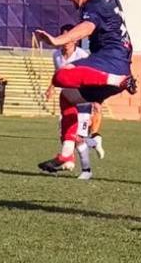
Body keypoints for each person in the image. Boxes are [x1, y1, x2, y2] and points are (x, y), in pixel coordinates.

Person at [34, 0, 136, 173]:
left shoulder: (93, 5)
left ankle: (120, 81)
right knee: (66, 95)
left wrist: (58, 40)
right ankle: (66, 156)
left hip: (111, 65)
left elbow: (86, 28)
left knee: (61, 77)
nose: (68, 0)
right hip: (114, 62)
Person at [45, 24, 105, 180]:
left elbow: (90, 75)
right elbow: (58, 73)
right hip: (68, 97)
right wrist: (51, 87)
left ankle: (88, 151)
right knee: (66, 132)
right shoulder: (56, 55)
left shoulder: (82, 55)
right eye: (63, 37)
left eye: (69, 38)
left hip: (82, 99)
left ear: (75, 40)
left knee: (77, 136)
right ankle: (76, 161)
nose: (66, 41)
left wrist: (95, 98)